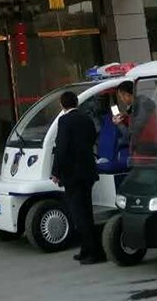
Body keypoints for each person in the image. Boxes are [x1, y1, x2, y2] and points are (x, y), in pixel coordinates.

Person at [51, 90, 104, 264]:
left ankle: (93, 252)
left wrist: (56, 171)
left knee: (79, 215)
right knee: (86, 212)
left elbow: (61, 148)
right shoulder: (86, 118)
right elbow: (92, 137)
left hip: (73, 174)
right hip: (87, 171)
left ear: (62, 104)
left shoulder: (64, 120)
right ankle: (87, 248)